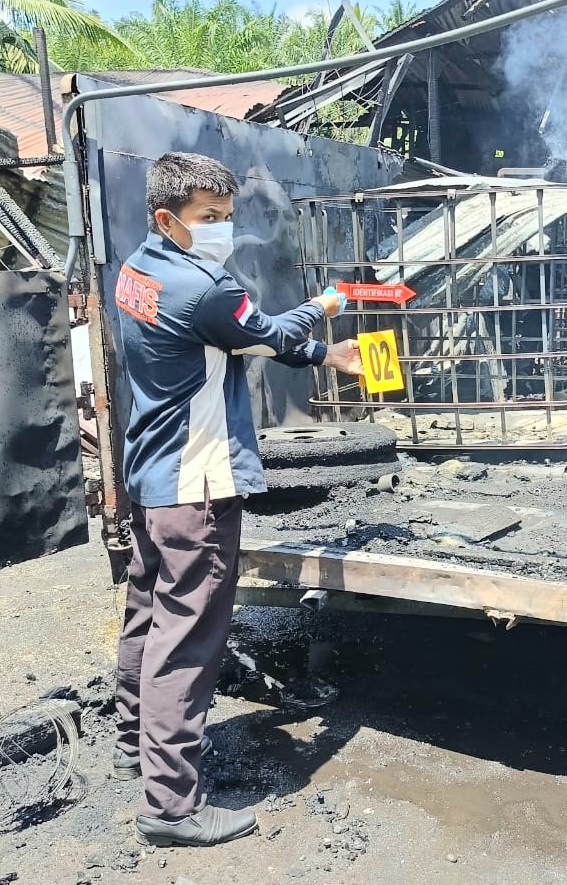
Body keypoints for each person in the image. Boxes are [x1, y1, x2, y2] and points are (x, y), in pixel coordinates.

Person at [109, 152, 361, 848]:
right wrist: (328, 308)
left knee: (146, 617)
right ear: (168, 216)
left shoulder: (138, 269)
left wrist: (324, 358)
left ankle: (135, 741)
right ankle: (171, 805)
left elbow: (240, 343)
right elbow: (269, 334)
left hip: (152, 476)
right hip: (198, 484)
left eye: (227, 216)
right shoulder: (205, 290)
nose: (223, 229)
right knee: (187, 642)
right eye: (209, 218)